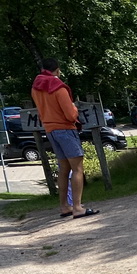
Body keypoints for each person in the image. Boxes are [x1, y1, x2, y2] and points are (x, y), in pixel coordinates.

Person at [30, 58, 99, 219]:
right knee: (77, 168)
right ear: (58, 70)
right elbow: (70, 114)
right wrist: (75, 109)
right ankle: (77, 207)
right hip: (65, 129)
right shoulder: (58, 88)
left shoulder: (36, 88)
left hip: (50, 129)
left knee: (63, 168)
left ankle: (64, 206)